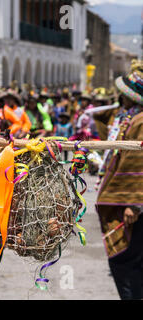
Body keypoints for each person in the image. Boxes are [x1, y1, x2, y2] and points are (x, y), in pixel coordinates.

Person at [96, 60, 143, 300]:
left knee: (126, 262)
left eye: (122, 96)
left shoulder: (139, 121)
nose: (119, 100)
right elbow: (105, 120)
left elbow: (138, 164)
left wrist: (134, 204)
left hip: (134, 206)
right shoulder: (128, 118)